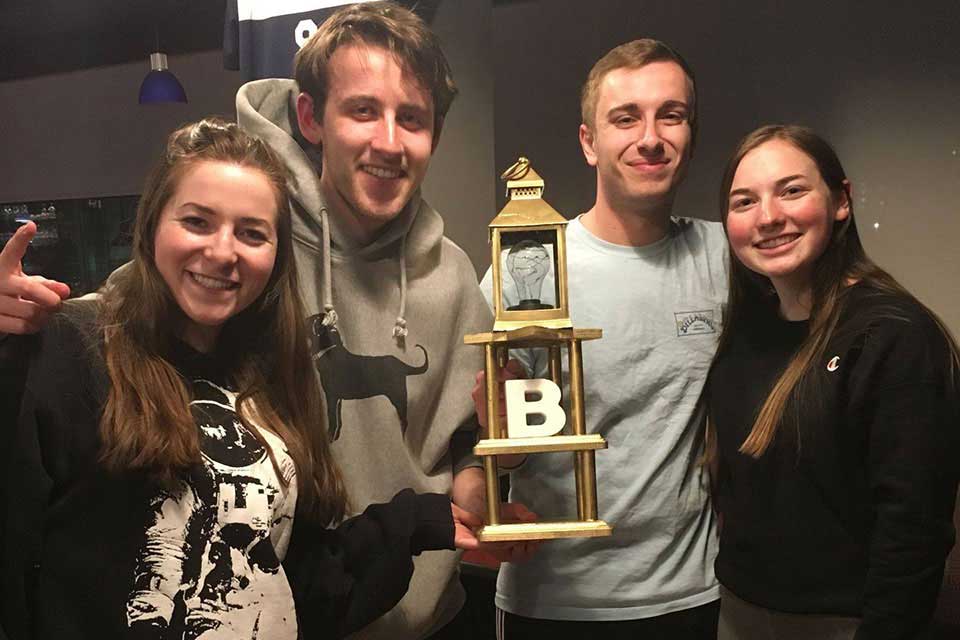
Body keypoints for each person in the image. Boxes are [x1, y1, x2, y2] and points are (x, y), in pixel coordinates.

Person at [0, 118, 486, 640]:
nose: (223, 251)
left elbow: (293, 580)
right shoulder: (69, 349)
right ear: (152, 226)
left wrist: (417, 523)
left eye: (252, 233)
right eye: (198, 222)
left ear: (276, 256)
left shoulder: (272, 378)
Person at [478, 39, 727, 639]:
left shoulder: (722, 256)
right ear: (589, 142)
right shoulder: (527, 267)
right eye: (625, 118)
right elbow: (489, 455)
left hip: (694, 594)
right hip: (555, 604)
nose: (650, 137)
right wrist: (496, 439)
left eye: (671, 115)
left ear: (690, 132)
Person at [707, 124, 960, 639]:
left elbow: (913, 530)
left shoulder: (895, 335)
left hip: (847, 624)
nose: (769, 217)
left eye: (792, 190)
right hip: (738, 612)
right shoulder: (747, 332)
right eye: (744, 201)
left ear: (841, 200)